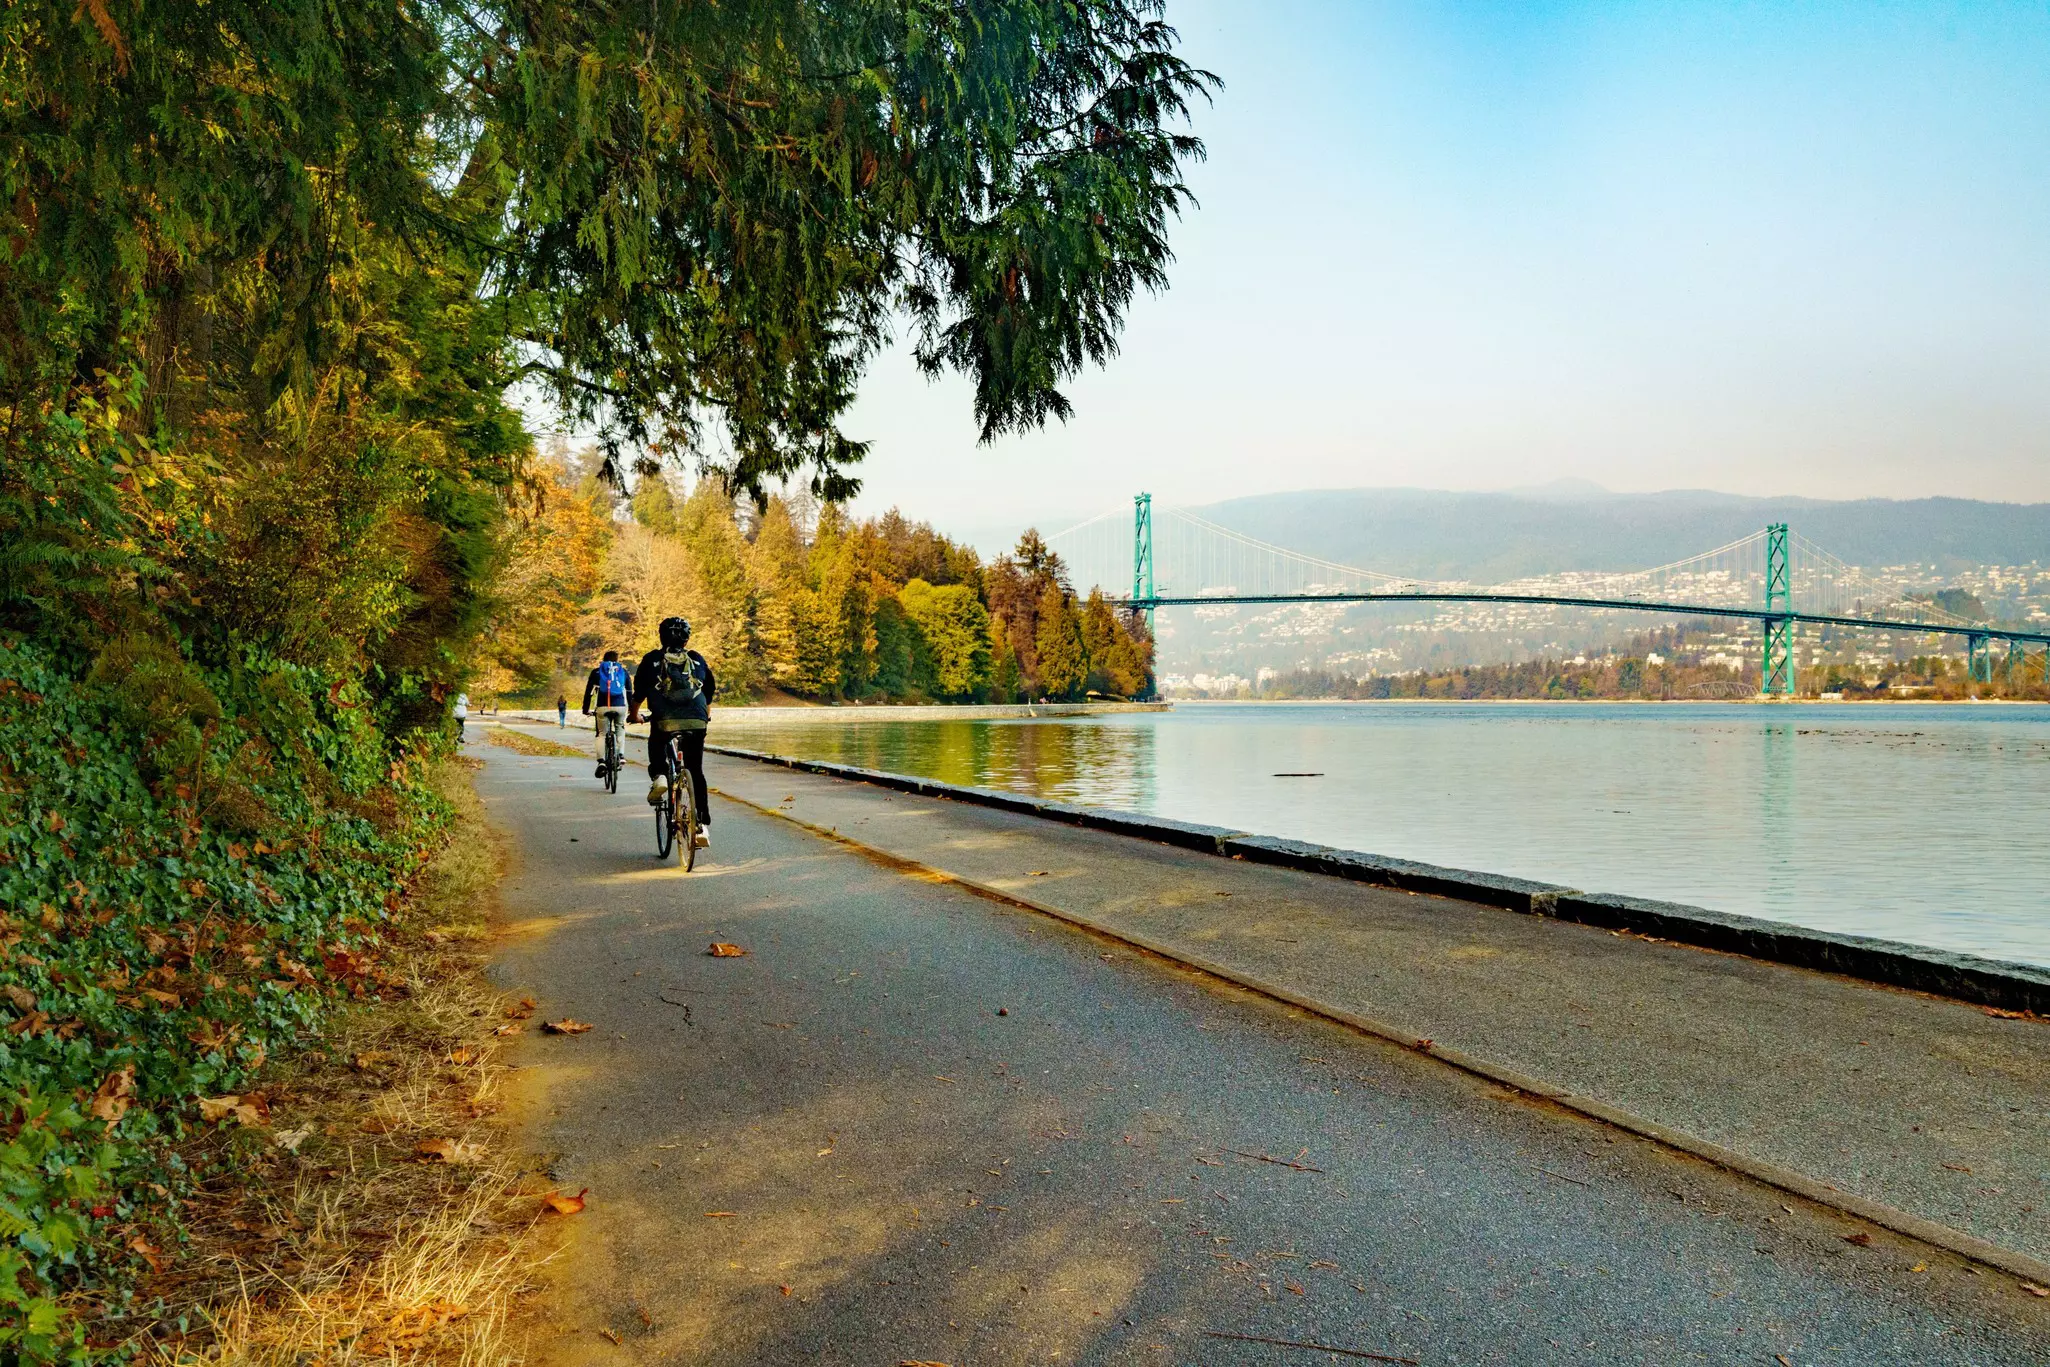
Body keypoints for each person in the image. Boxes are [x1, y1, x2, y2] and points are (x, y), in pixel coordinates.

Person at [630, 617, 716, 848]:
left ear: (661, 636)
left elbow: (638, 693)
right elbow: (709, 690)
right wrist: (705, 714)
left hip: (664, 720)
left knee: (657, 740)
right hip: (697, 720)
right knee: (695, 770)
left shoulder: (651, 660)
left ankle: (659, 776)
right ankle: (700, 826)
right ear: (687, 638)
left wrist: (634, 715)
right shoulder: (697, 659)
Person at [581, 649, 633, 779]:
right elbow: (629, 692)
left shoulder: (597, 672)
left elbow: (589, 693)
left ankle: (601, 762)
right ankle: (621, 755)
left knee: (602, 734)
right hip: (620, 706)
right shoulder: (623, 671)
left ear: (604, 660)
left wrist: (585, 709)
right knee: (620, 727)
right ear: (617, 660)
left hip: (602, 707)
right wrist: (632, 709)